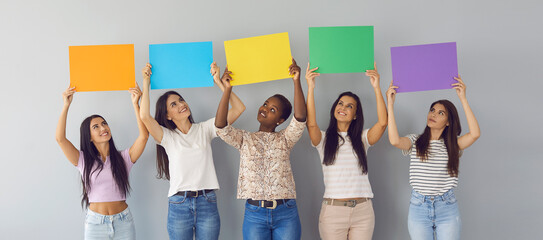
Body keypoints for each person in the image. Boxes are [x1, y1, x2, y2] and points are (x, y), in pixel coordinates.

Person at [139, 62, 245, 240]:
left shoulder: (205, 129)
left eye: (181, 100)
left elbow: (238, 109)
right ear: (167, 115)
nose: (181, 104)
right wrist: (146, 82)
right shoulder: (167, 137)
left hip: (207, 202)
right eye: (173, 104)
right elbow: (144, 116)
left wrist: (221, 83)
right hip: (179, 204)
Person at [215, 59, 307, 240]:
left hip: (286, 213)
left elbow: (300, 118)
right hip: (255, 213)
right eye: (265, 104)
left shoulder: (285, 139)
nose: (265, 109)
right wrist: (227, 90)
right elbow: (220, 127)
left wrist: (296, 81)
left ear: (280, 121)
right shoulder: (244, 139)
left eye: (273, 109)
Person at [386, 76, 480, 240]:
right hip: (419, 206)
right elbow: (394, 140)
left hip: (447, 207)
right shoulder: (415, 141)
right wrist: (390, 104)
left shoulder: (453, 145)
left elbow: (475, 134)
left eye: (440, 113)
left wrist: (463, 98)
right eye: (432, 110)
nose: (434, 114)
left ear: (449, 122)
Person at [55, 84, 149, 239]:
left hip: (123, 221)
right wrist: (66, 105)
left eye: (104, 123)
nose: (103, 128)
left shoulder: (124, 158)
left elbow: (144, 136)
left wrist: (135, 103)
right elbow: (60, 139)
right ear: (89, 137)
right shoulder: (83, 160)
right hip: (95, 224)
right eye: (96, 127)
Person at [305, 63, 387, 240]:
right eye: (340, 103)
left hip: (363, 212)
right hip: (333, 212)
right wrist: (310, 88)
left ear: (355, 114)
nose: (343, 107)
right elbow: (310, 123)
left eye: (349, 106)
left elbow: (383, 123)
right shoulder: (323, 139)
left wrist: (376, 86)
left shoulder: (363, 139)